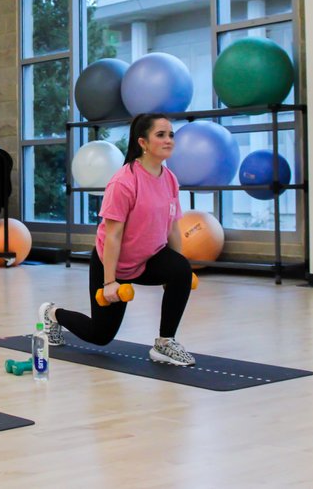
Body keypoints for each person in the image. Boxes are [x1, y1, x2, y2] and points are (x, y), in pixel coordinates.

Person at [39, 113, 196, 366]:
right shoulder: (124, 181)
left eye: (171, 135)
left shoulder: (170, 179)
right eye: (161, 135)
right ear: (143, 143)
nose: (169, 140)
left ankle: (165, 343)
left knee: (181, 268)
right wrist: (110, 281)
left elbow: (173, 228)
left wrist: (178, 272)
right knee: (100, 335)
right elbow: (112, 235)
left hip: (149, 258)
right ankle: (53, 313)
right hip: (113, 262)